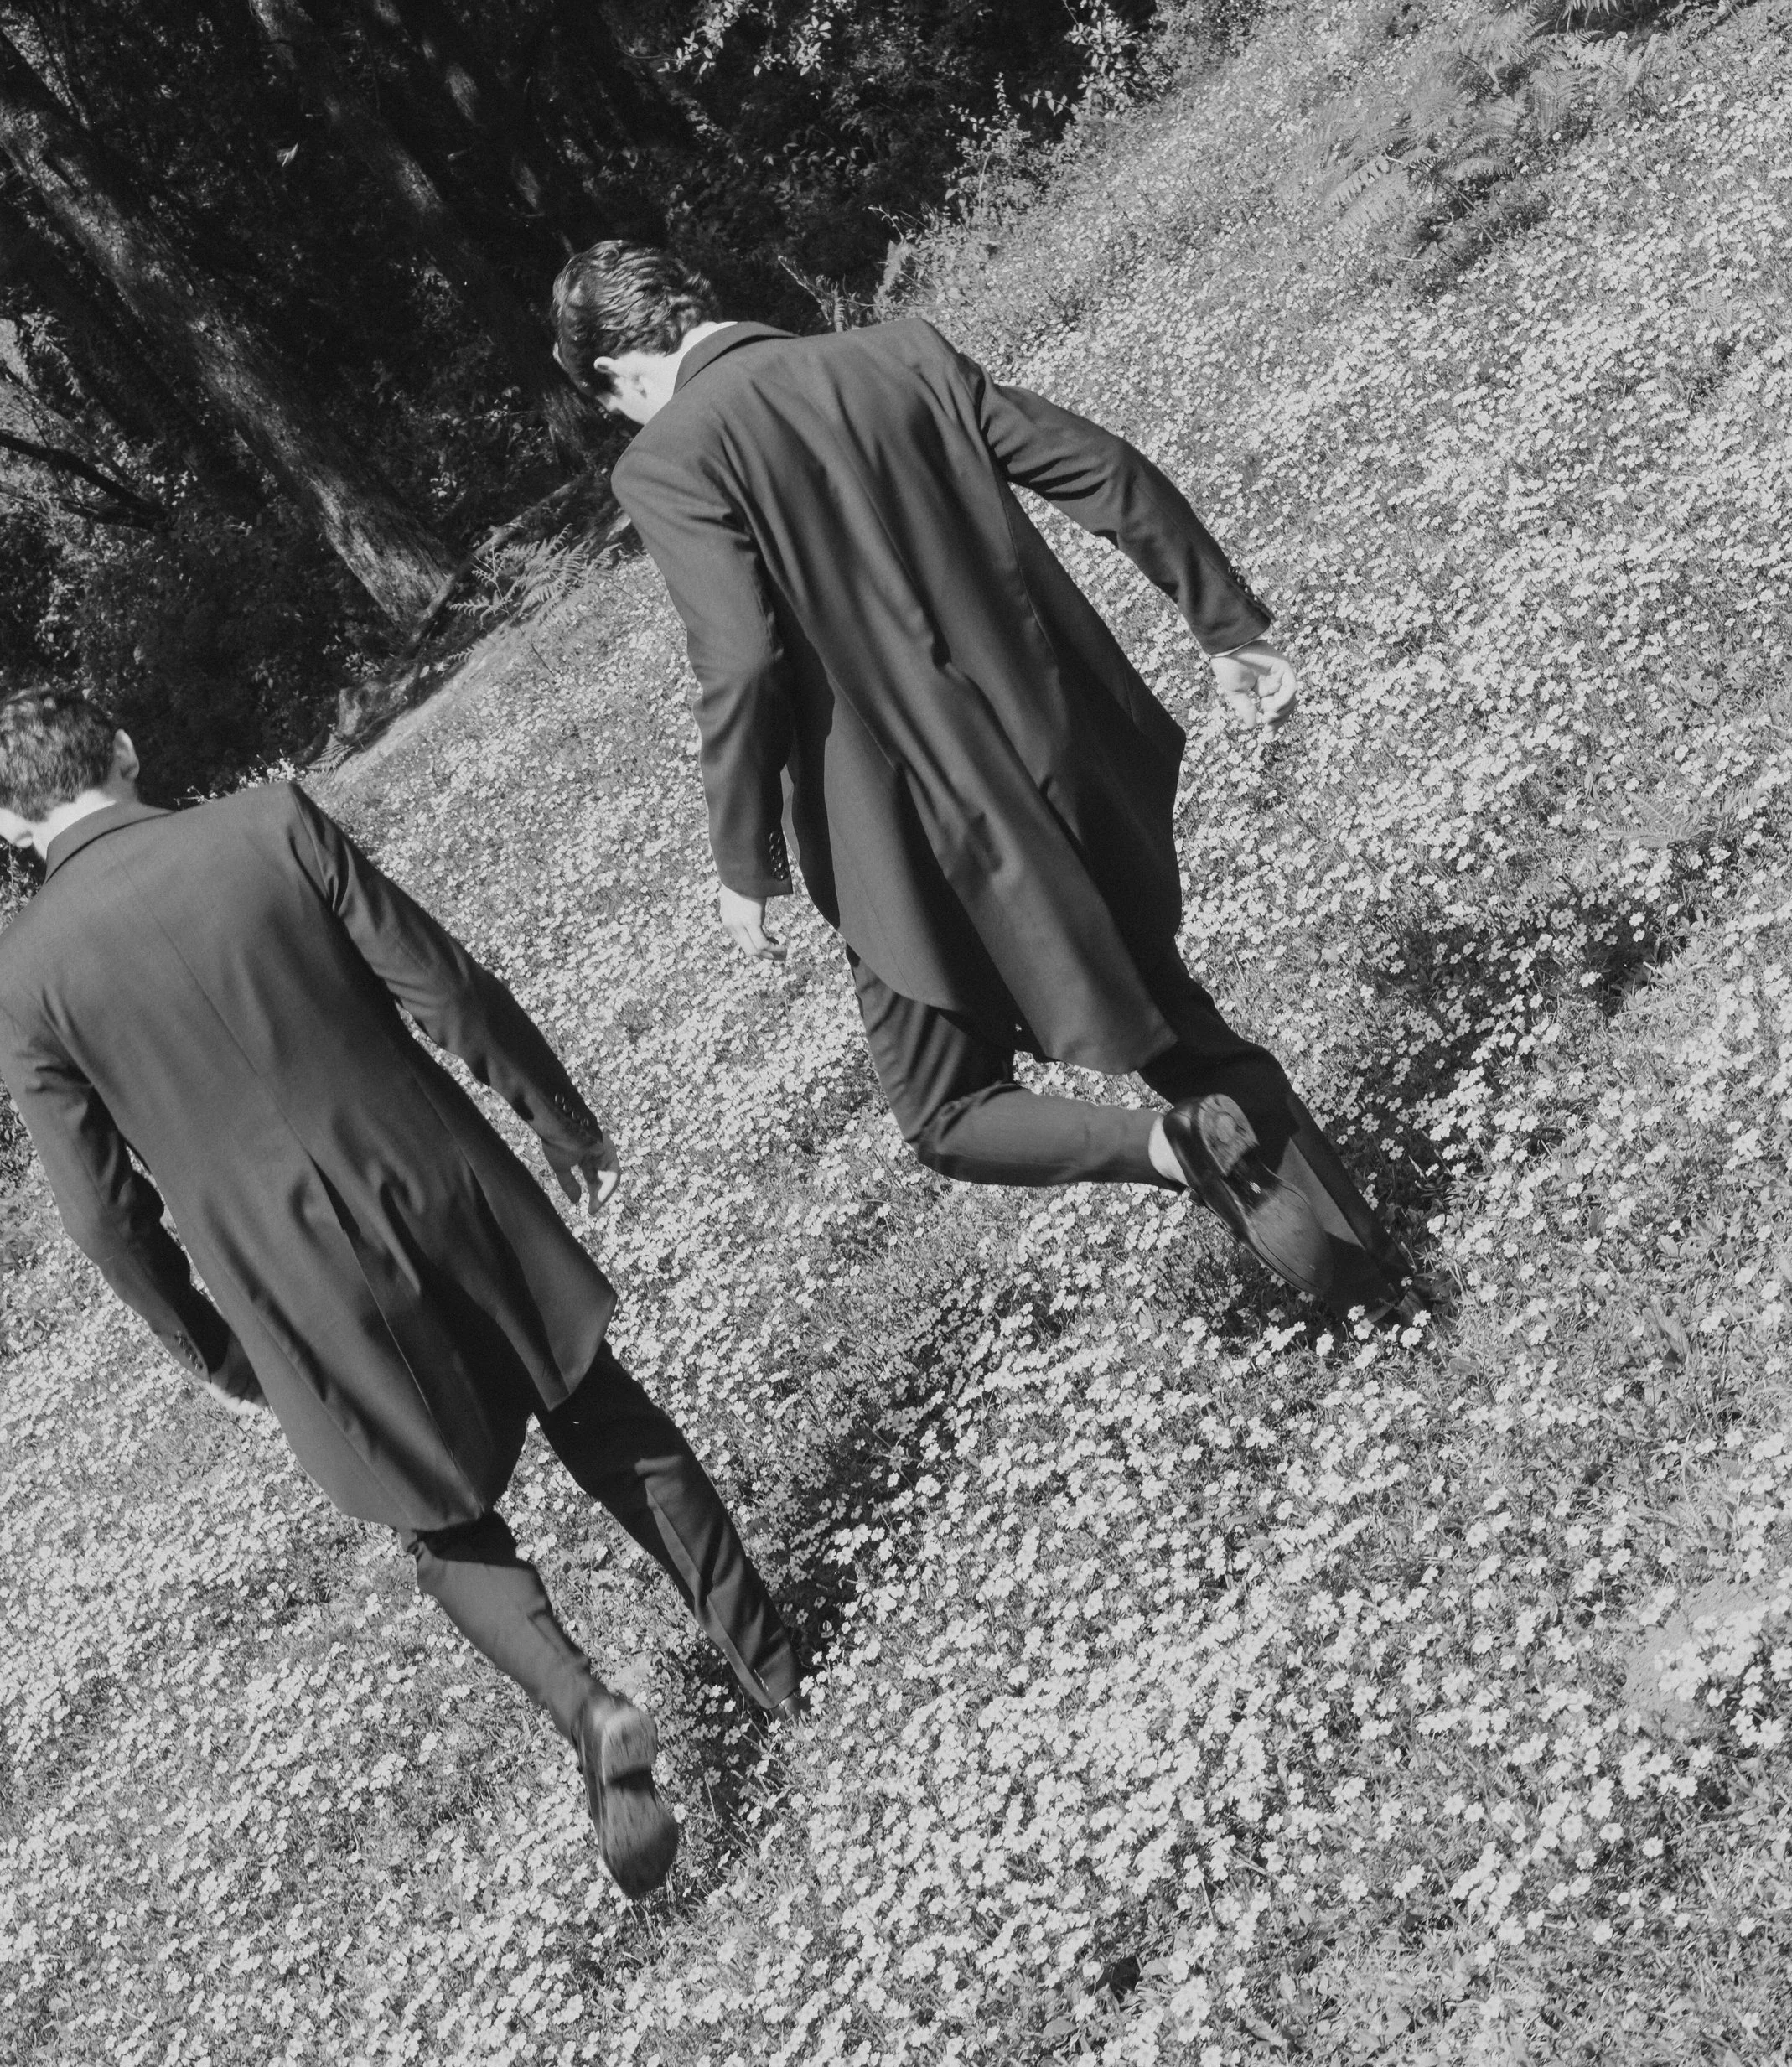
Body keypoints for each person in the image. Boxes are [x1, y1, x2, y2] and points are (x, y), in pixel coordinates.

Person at [0, 684, 797, 1902]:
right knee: (600, 1414)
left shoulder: (16, 980)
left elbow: (101, 1214)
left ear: (6, 825)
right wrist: (551, 1110)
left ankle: (591, 1705)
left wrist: (209, 1340)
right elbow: (442, 984)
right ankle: (780, 1676)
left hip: (290, 1279)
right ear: (128, 750)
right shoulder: (266, 823)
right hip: (436, 1181)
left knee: (444, 1523)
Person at [555, 241, 1419, 1323]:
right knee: (1177, 1026)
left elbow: (739, 660)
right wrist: (1224, 623)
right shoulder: (898, 353)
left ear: (617, 375)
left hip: (906, 845)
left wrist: (744, 862)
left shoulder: (669, 455)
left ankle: (1173, 1144)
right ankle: (1371, 1280)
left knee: (943, 1107)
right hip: (1056, 772)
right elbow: (1099, 462)